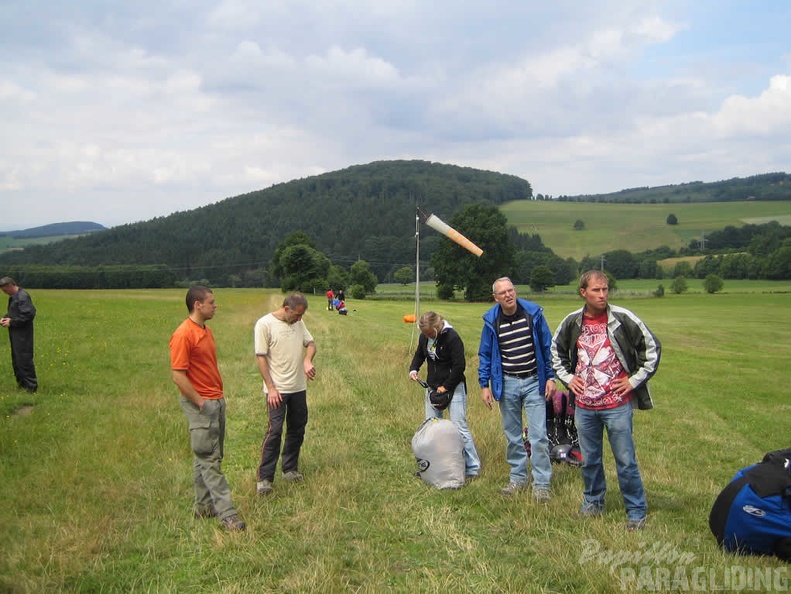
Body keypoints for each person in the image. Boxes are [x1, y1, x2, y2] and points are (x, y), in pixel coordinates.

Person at [551, 270, 661, 531]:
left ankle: (636, 510)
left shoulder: (623, 319)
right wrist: (568, 378)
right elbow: (555, 352)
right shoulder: (572, 322)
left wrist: (633, 381)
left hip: (617, 407)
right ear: (583, 293)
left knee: (625, 460)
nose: (602, 295)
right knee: (589, 460)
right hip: (585, 408)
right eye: (596, 290)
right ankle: (593, 503)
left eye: (605, 290)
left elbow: (652, 349)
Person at [169, 285, 246, 531]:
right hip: (201, 403)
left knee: (207, 455)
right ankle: (227, 514)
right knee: (209, 458)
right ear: (197, 305)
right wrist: (201, 403)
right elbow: (178, 376)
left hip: (215, 400)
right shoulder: (183, 334)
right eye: (211, 302)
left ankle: (203, 507)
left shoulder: (206, 331)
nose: (215, 306)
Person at [478, 277, 556, 500]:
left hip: (534, 382)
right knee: (513, 435)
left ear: (515, 291)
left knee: (539, 436)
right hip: (507, 382)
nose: (508, 295)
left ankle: (541, 484)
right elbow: (484, 354)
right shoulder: (491, 321)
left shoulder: (533, 314)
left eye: (511, 290)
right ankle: (518, 479)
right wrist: (484, 385)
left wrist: (551, 377)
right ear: (496, 298)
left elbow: (547, 346)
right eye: (503, 293)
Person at [254, 293, 317, 496]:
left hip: (298, 387)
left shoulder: (299, 323)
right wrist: (271, 388)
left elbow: (311, 343)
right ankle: (264, 479)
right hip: (277, 391)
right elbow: (261, 358)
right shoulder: (264, 324)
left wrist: (307, 360)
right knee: (274, 431)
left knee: (297, 428)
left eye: (302, 315)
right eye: (297, 315)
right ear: (287, 309)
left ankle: (289, 469)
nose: (300, 319)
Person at [409, 311, 481, 479]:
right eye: (424, 334)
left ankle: (473, 467)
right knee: (430, 428)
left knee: (459, 427)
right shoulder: (425, 338)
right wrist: (414, 369)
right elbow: (420, 354)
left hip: (454, 387)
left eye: (429, 333)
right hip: (432, 388)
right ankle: (433, 467)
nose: (426, 336)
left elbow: (459, 366)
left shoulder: (452, 338)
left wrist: (446, 386)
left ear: (437, 327)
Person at [0, 277, 38, 393]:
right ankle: (22, 384)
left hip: (23, 335)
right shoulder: (14, 297)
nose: (5, 293)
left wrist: (12, 322)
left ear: (11, 286)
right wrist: (6, 318)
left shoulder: (22, 297)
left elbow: (28, 315)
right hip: (16, 333)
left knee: (24, 359)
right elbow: (15, 313)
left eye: (5, 290)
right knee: (17, 359)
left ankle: (31, 387)